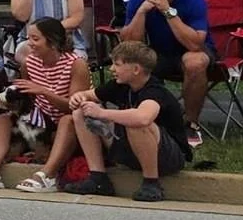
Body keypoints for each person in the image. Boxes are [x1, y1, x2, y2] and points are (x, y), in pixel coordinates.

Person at [64, 38, 191, 203]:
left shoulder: (154, 91)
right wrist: (79, 97)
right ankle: (98, 177)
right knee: (81, 112)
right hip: (131, 151)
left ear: (136, 69)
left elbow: (143, 117)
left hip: (168, 158)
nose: (111, 69)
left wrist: (102, 113)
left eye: (117, 64)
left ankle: (151, 183)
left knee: (136, 123)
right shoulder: (121, 85)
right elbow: (89, 95)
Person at [118, 0, 214, 137]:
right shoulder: (137, 1)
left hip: (194, 51)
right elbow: (130, 44)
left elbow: (195, 44)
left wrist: (167, 11)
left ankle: (190, 124)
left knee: (194, 62)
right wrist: (141, 12)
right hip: (159, 52)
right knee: (134, 62)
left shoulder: (194, 1)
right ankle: (148, 119)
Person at [9, 16, 91, 192]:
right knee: (3, 119)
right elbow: (28, 100)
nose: (29, 43)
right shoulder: (28, 63)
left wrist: (43, 91)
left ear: (52, 42)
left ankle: (47, 175)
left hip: (75, 126)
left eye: (35, 39)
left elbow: (74, 105)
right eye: (28, 38)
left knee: (67, 120)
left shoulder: (76, 65)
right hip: (44, 123)